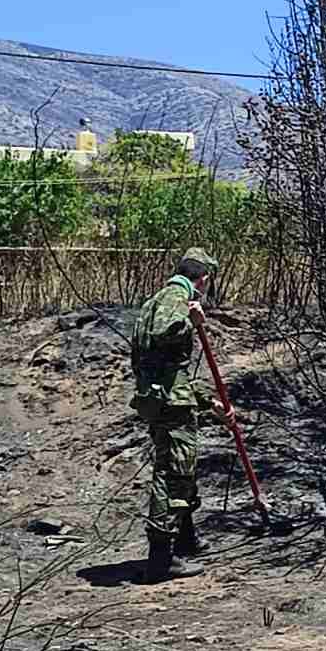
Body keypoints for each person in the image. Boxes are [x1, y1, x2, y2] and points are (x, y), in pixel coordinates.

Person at [129, 247, 233, 584]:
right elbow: (165, 331)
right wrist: (192, 319)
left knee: (180, 470)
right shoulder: (176, 298)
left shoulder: (153, 300)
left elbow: (169, 369)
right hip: (171, 405)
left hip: (161, 398)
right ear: (202, 279)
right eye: (207, 282)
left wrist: (208, 402)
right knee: (173, 474)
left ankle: (185, 541)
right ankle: (161, 560)